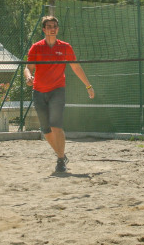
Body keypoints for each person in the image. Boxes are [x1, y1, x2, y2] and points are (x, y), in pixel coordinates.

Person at [24, 15, 95, 173]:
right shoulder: (36, 47)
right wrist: (28, 76)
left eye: (54, 26)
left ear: (57, 29)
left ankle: (61, 159)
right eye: (49, 26)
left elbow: (76, 67)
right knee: (46, 130)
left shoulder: (65, 47)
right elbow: (28, 67)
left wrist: (88, 86)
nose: (52, 29)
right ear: (44, 29)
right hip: (39, 91)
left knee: (56, 126)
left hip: (57, 90)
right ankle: (60, 155)